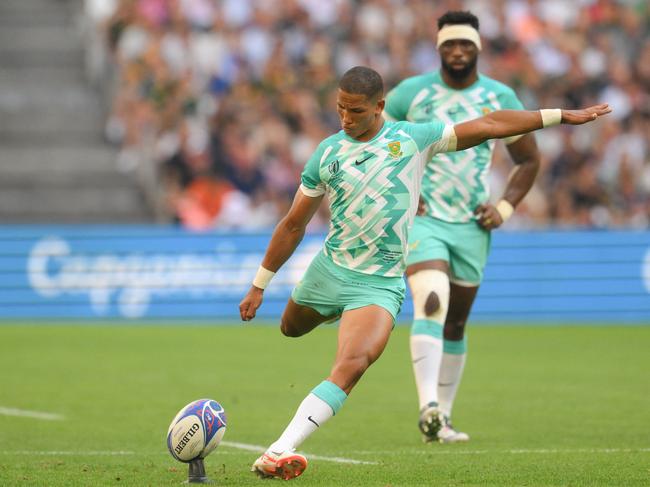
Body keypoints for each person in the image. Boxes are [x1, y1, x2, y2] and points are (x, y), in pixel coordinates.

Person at [239, 65, 609, 480]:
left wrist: (558, 115)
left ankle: (280, 448)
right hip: (330, 269)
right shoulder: (327, 154)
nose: (346, 118)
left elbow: (488, 124)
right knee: (291, 328)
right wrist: (260, 285)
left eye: (356, 111)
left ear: (380, 107)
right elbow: (293, 224)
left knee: (355, 362)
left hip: (378, 284)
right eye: (340, 109)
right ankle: (336, 312)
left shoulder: (413, 139)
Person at [383, 10, 543, 444]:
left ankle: (443, 421)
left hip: (473, 224)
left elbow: (529, 159)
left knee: (455, 323)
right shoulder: (408, 95)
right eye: (449, 45)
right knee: (431, 299)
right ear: (437, 48)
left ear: (478, 48)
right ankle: (428, 407)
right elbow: (377, 145)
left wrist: (506, 208)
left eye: (465, 45)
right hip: (424, 220)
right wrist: (403, 191)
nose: (457, 52)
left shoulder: (500, 96)